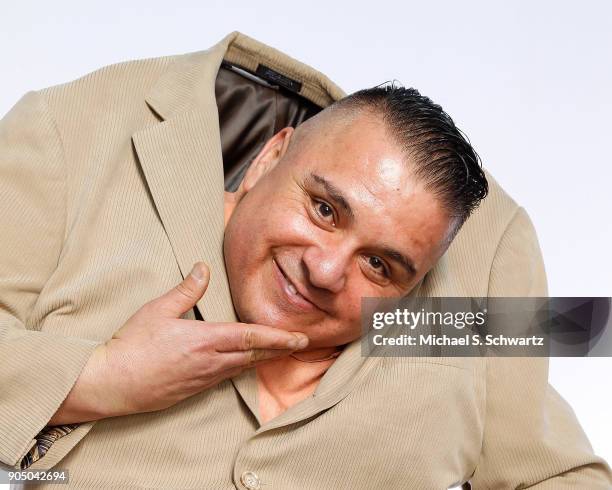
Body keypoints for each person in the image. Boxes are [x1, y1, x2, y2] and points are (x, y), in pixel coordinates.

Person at [0, 31, 610, 489]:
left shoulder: (478, 262)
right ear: (269, 158)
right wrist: (100, 377)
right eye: (323, 210)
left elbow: (556, 467)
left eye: (380, 266)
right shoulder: (76, 134)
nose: (324, 271)